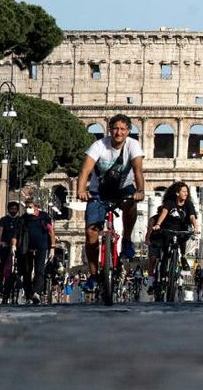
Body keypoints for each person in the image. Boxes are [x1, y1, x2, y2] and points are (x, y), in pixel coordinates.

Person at [76, 114, 145, 291]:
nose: (118, 132)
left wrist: (140, 190)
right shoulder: (99, 145)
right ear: (110, 130)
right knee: (91, 233)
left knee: (131, 204)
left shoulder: (133, 145)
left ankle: (127, 240)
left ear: (128, 131)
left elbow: (138, 170)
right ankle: (93, 275)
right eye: (115, 128)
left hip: (124, 188)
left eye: (122, 129)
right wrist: (81, 190)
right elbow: (85, 170)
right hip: (99, 191)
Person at [11, 198, 56, 305]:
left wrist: (53, 247)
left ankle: (36, 292)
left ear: (36, 207)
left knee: (39, 270)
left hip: (41, 247)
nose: (27, 209)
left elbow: (50, 231)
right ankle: (28, 294)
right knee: (27, 271)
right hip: (26, 248)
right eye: (26, 207)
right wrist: (13, 245)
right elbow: (16, 234)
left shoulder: (44, 217)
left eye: (29, 207)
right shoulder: (22, 219)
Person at [151, 181, 199, 271]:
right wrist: (158, 224)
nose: (186, 193)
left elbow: (192, 216)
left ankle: (183, 257)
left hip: (182, 228)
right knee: (165, 251)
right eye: (183, 191)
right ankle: (163, 272)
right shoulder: (170, 202)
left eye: (186, 191)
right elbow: (164, 213)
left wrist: (196, 227)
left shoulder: (188, 203)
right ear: (177, 193)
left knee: (183, 238)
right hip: (169, 228)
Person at [0, 201, 21, 298]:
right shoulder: (3, 220)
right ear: (8, 210)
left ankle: (18, 281)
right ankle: (1, 282)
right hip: (5, 244)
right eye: (11, 209)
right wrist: (0, 241)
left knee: (18, 264)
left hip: (18, 246)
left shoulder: (20, 220)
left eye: (15, 209)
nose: (13, 211)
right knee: (3, 264)